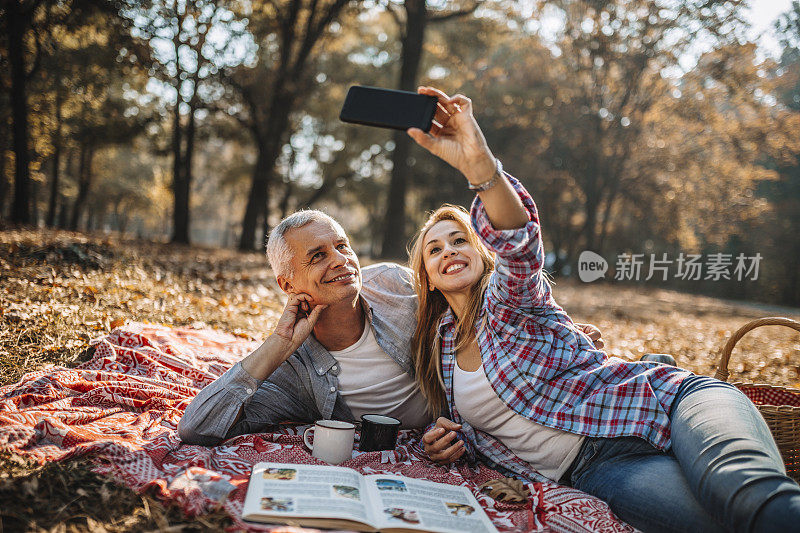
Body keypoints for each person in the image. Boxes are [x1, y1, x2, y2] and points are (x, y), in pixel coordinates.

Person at [406, 86, 800, 533]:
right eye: (434, 249)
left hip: (666, 401)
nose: (449, 251)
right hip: (600, 469)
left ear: (480, 252)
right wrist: (453, 442)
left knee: (748, 497)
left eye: (460, 240)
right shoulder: (440, 346)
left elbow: (518, 248)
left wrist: (479, 166)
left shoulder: (507, 300)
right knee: (711, 522)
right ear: (428, 276)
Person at [176, 204, 606, 445]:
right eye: (318, 256)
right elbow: (197, 426)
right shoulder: (294, 370)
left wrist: (554, 332)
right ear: (287, 283)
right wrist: (276, 346)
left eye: (341, 246)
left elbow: (471, 301)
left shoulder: (394, 284)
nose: (341, 261)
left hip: (484, 407)